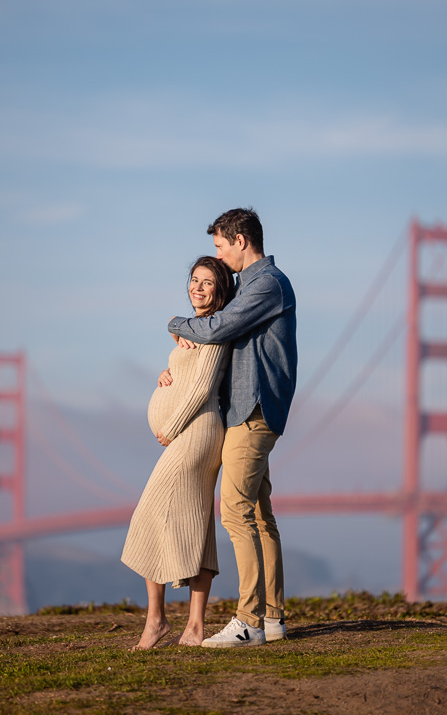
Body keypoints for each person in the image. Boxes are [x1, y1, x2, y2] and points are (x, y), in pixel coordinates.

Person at [168, 207, 297, 648]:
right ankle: (274, 618)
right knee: (260, 515)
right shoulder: (251, 286)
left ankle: (249, 623)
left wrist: (177, 324)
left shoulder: (267, 284)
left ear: (241, 241)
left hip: (253, 412)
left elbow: (222, 326)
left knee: (235, 512)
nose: (218, 258)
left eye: (221, 247)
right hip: (249, 410)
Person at [121, 256, 234, 649]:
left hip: (195, 432)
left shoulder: (216, 331)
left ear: (220, 291)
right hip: (195, 432)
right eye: (194, 280)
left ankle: (156, 622)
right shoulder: (193, 330)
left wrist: (169, 425)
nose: (198, 288)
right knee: (198, 525)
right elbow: (188, 375)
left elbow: (202, 388)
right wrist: (166, 375)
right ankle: (195, 627)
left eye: (207, 283)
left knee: (150, 514)